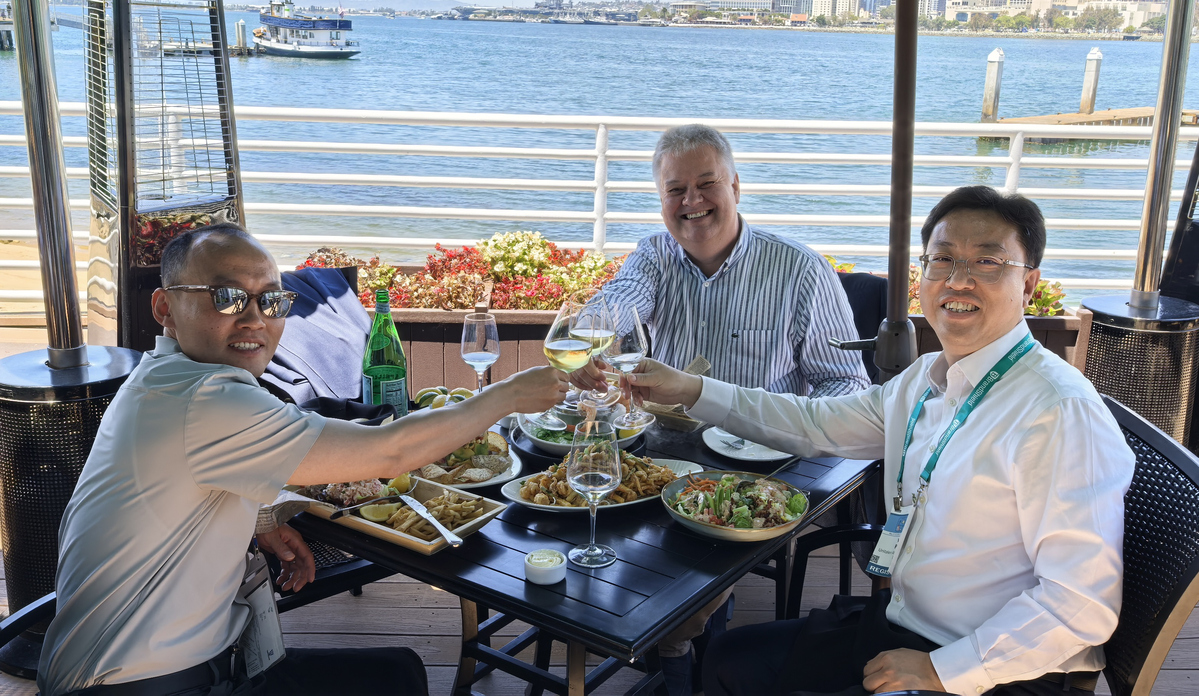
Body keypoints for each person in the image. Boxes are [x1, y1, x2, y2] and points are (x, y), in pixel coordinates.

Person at [622, 186, 1134, 696]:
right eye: (942, 259)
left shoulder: (1057, 412)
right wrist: (690, 389)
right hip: (903, 626)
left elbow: (1081, 604)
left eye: (988, 262)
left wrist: (942, 670)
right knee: (729, 661)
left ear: (1029, 285)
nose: (958, 280)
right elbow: (813, 423)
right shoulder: (927, 379)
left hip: (997, 669)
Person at [37, 225, 568, 696]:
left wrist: (258, 518)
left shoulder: (163, 378)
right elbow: (391, 452)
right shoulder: (206, 399)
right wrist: (505, 397)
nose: (254, 319)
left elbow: (179, 482)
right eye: (227, 297)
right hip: (144, 683)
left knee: (397, 675)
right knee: (396, 678)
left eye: (271, 301)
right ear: (164, 308)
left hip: (163, 666)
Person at [571, 124, 872, 695]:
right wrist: (587, 337)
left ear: (735, 185)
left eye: (707, 184)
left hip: (761, 460)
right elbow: (618, 303)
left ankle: (681, 656)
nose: (692, 201)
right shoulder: (655, 254)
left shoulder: (799, 269)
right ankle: (659, 639)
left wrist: (784, 424)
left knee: (695, 562)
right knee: (585, 505)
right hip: (660, 450)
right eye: (675, 190)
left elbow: (846, 385)